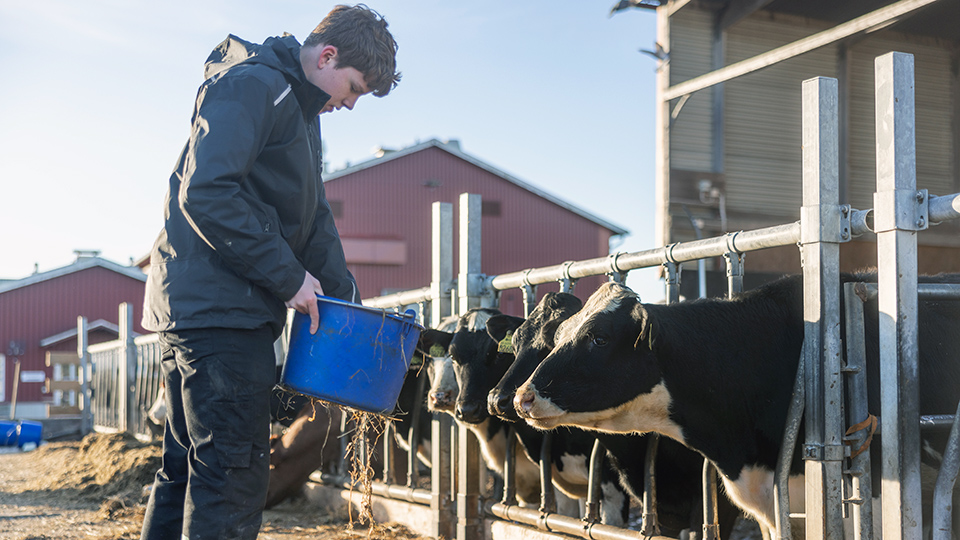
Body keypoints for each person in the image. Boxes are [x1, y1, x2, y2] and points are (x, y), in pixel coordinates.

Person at [139, 5, 400, 539]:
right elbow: (208, 192)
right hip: (217, 313)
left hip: (211, 307)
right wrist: (289, 279)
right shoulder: (254, 86)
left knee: (189, 469)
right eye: (352, 88)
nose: (348, 103)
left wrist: (344, 302)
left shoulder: (297, 108)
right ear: (327, 57)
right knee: (231, 475)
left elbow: (312, 216)